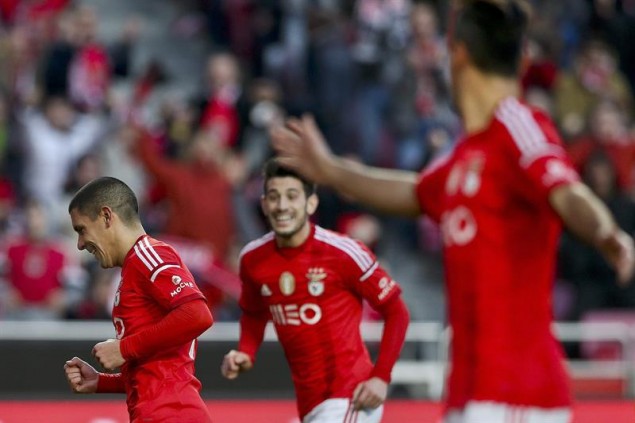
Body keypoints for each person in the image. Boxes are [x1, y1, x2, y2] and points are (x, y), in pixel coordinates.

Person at [269, 1, 635, 422]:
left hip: (519, 396)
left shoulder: (517, 125)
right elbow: (413, 192)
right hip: (469, 393)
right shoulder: (463, 152)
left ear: (457, 52)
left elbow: (566, 190)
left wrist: (607, 233)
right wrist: (332, 171)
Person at [220, 159, 410, 422]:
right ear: (264, 204)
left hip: (351, 396)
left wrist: (381, 376)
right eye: (274, 197)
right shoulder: (253, 259)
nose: (282, 206)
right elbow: (253, 313)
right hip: (310, 404)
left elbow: (396, 311)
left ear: (311, 203)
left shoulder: (344, 253)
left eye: (292, 196)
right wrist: (246, 351)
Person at [63, 176, 213, 423]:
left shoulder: (149, 256)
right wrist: (100, 381)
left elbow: (198, 314)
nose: (80, 244)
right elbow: (155, 372)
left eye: (81, 229)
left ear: (107, 216)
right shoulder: (134, 268)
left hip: (172, 414)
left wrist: (123, 348)